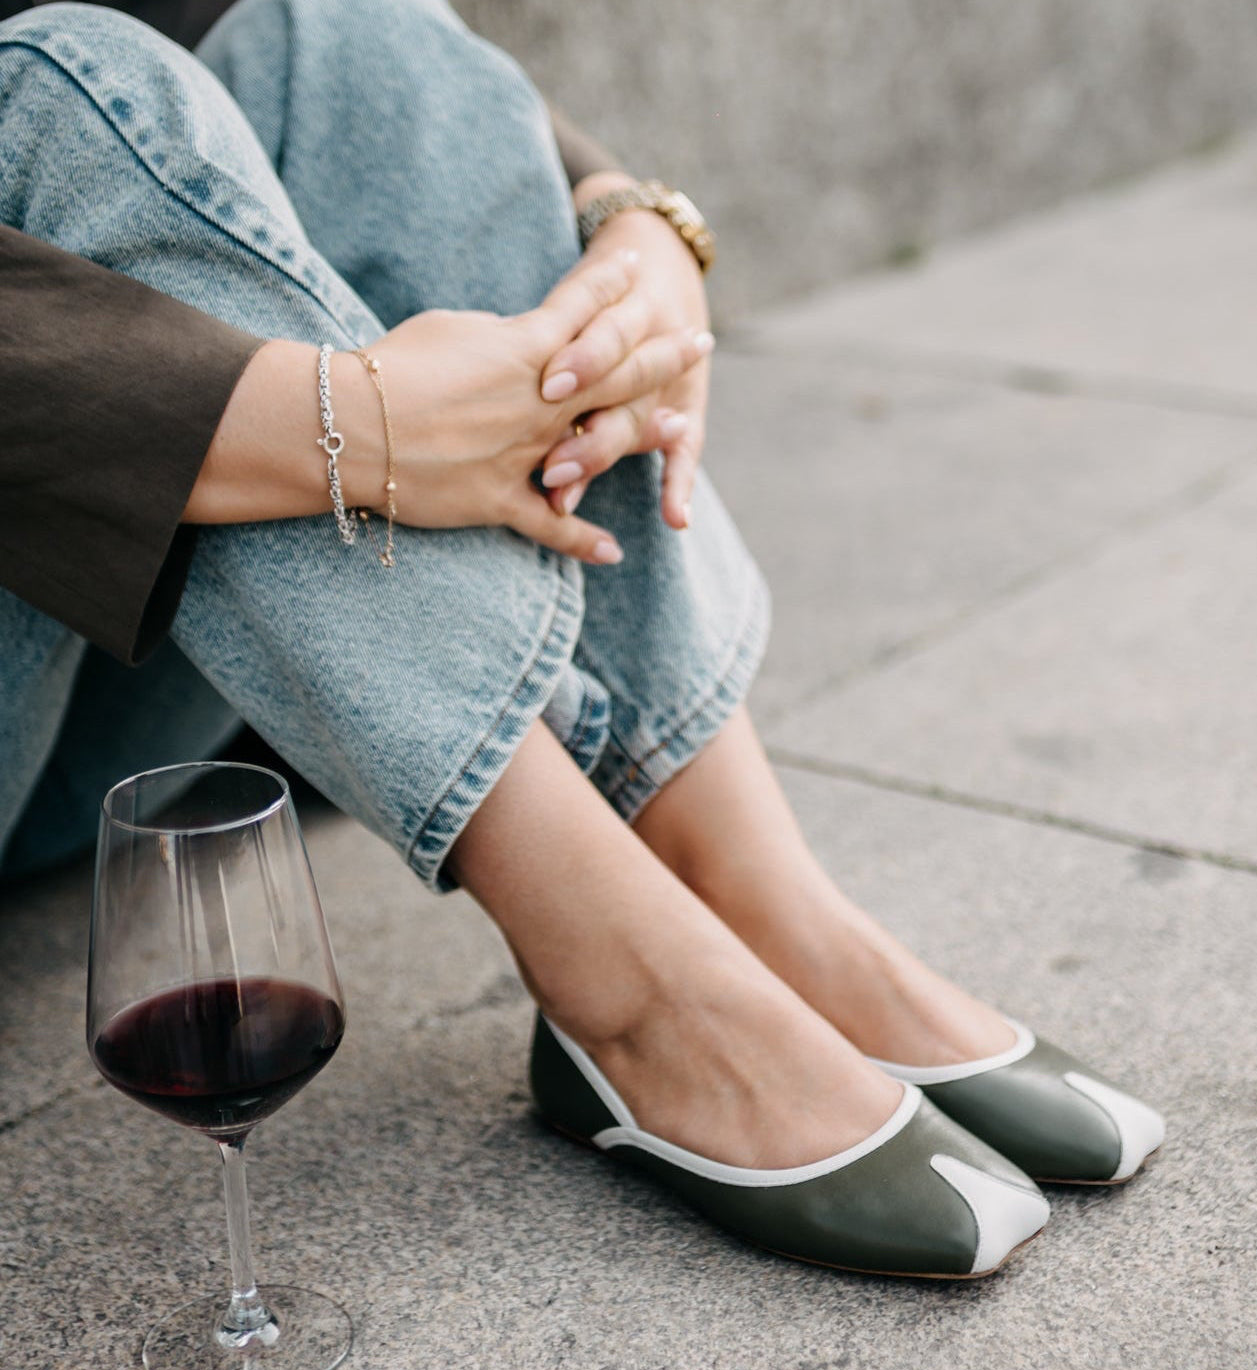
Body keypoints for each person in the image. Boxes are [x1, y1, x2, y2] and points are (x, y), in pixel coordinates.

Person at [0, 0, 1163, 1280]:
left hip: (104, 659)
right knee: (57, 88)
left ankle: (754, 896)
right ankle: (636, 995)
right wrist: (342, 426)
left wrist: (633, 222)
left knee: (337, 40)